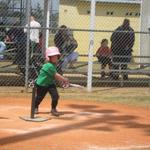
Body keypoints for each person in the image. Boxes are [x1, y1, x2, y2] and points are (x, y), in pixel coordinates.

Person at [34, 46, 69, 116]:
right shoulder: (48, 65)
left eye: (56, 56)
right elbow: (56, 75)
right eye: (53, 56)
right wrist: (64, 80)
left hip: (50, 84)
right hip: (42, 84)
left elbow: (54, 77)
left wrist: (61, 83)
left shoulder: (54, 65)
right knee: (39, 97)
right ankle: (35, 107)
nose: (55, 58)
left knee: (55, 96)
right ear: (49, 57)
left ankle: (53, 109)